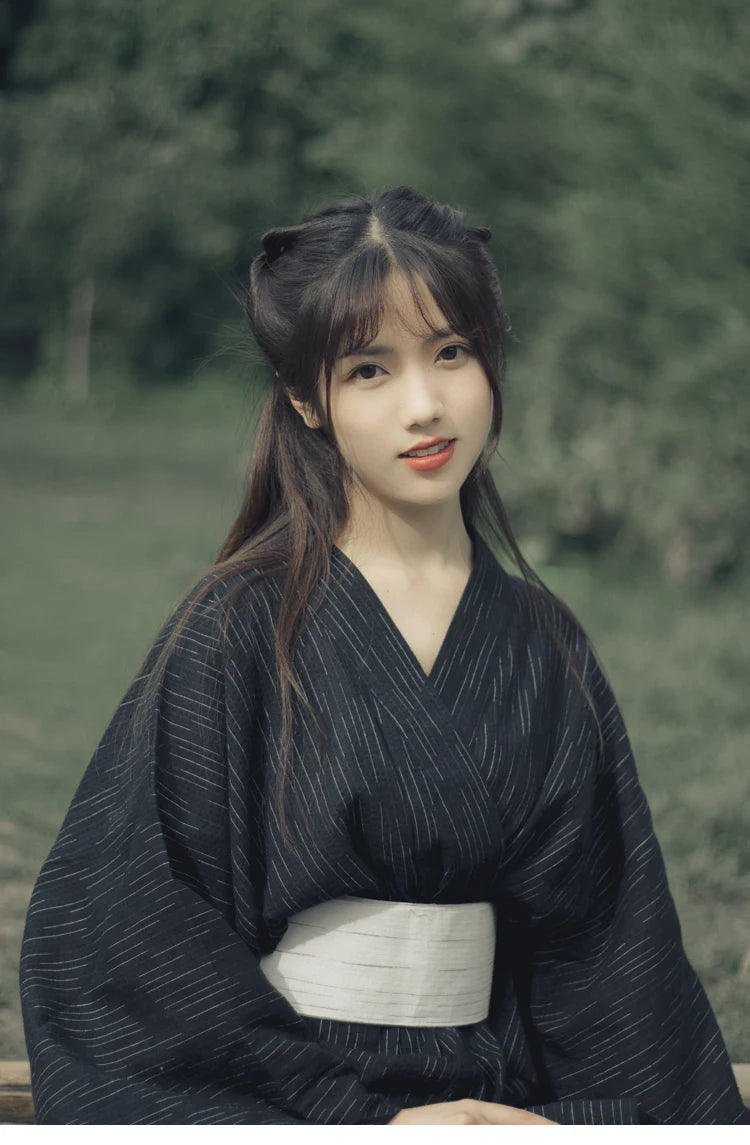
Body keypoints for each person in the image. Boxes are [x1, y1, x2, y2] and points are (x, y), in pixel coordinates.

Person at [20, 186, 748, 1126]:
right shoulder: (240, 626)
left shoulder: (541, 638)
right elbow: (125, 934)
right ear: (304, 400)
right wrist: (361, 1120)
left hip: (495, 1106)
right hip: (288, 1103)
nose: (425, 405)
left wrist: (569, 1121)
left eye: (451, 351)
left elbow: (608, 952)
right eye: (370, 370)